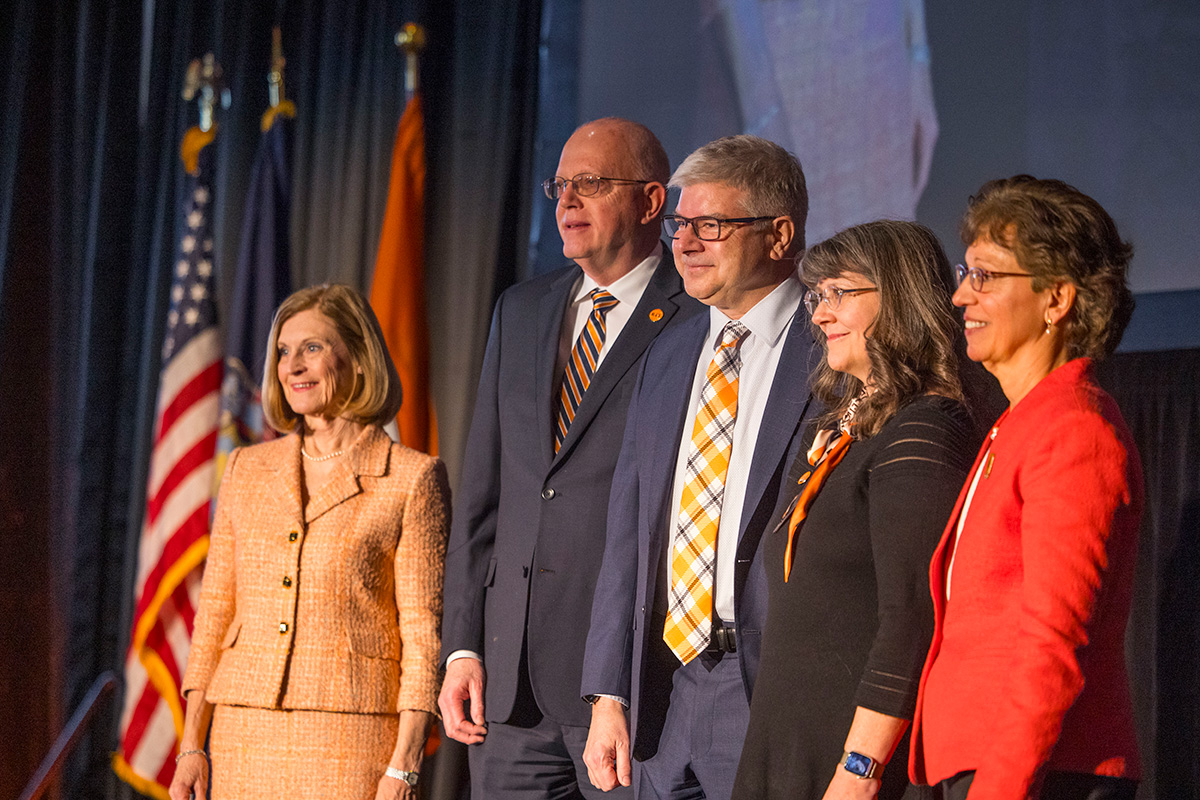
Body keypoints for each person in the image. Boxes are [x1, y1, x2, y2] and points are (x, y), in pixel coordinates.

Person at [437, 118, 703, 799]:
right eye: (560, 185)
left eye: (591, 183)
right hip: (509, 685)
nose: (567, 201)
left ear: (650, 203)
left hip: (629, 687)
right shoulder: (521, 309)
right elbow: (484, 496)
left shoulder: (698, 317)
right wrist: (463, 646)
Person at [581, 134, 818, 799]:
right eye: (681, 225)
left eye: (711, 226)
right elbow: (628, 533)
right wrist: (607, 693)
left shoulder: (832, 349)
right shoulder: (667, 351)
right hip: (663, 694)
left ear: (778, 237)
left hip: (768, 689)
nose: (684, 243)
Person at [909, 176, 1143, 800]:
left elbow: (1051, 640)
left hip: (1037, 774)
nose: (960, 295)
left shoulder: (1074, 429)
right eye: (966, 273)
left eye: (984, 275)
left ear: (1057, 298)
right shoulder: (1022, 422)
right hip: (986, 765)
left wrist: (1000, 787)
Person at [170, 284, 449, 800]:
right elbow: (213, 614)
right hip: (242, 734)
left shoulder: (412, 479)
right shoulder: (245, 470)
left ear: (360, 359)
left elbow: (422, 635)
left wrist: (405, 765)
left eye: (312, 348)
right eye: (283, 351)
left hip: (352, 740)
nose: (292, 365)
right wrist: (191, 745)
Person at [732, 220, 977, 799]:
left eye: (840, 293)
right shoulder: (836, 427)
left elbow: (913, 614)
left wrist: (860, 768)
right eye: (818, 296)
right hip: (787, 740)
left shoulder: (924, 427)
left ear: (900, 297)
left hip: (851, 759)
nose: (818, 314)